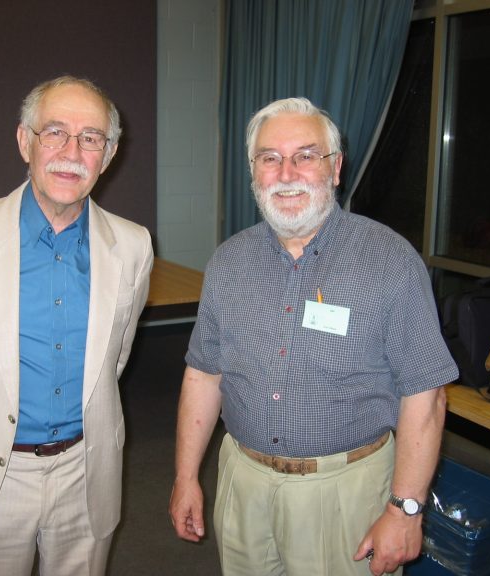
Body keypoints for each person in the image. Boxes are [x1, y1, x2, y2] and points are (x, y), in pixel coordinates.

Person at [168, 97, 458, 576]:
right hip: (243, 482)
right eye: (269, 158)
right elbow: (203, 375)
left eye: (305, 156)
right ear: (253, 171)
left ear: (336, 167)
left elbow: (426, 396)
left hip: (345, 493)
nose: (286, 174)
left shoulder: (390, 261)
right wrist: (185, 476)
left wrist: (405, 510)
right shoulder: (227, 263)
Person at [0, 75, 153, 576]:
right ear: (25, 141)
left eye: (90, 138)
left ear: (108, 155)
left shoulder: (133, 246)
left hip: (85, 472)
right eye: (55, 132)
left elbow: (115, 359)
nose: (72, 151)